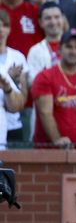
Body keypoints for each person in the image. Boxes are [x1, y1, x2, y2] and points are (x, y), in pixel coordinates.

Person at [26, 2, 76, 83]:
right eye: (48, 18)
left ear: (63, 19)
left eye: (57, 17)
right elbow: (33, 84)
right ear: (41, 22)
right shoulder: (35, 51)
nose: (53, 22)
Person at [0, 10, 28, 149]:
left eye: (4, 25)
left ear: (9, 29)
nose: (0, 30)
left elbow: (23, 98)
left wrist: (9, 82)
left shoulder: (18, 57)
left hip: (13, 124)